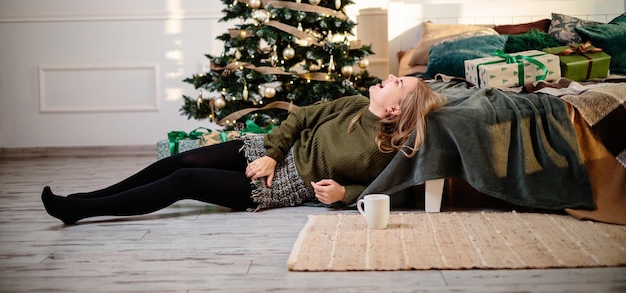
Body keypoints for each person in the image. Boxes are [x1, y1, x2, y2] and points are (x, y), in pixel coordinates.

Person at [41, 75, 447, 224]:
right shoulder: (354, 105)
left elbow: (399, 192)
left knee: (185, 180)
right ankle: (86, 199)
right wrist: (270, 152)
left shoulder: (387, 149)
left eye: (400, 82)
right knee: (182, 159)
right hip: (269, 152)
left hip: (281, 185)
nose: (390, 76)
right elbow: (301, 117)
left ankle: (80, 209)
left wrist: (346, 196)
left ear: (395, 108)